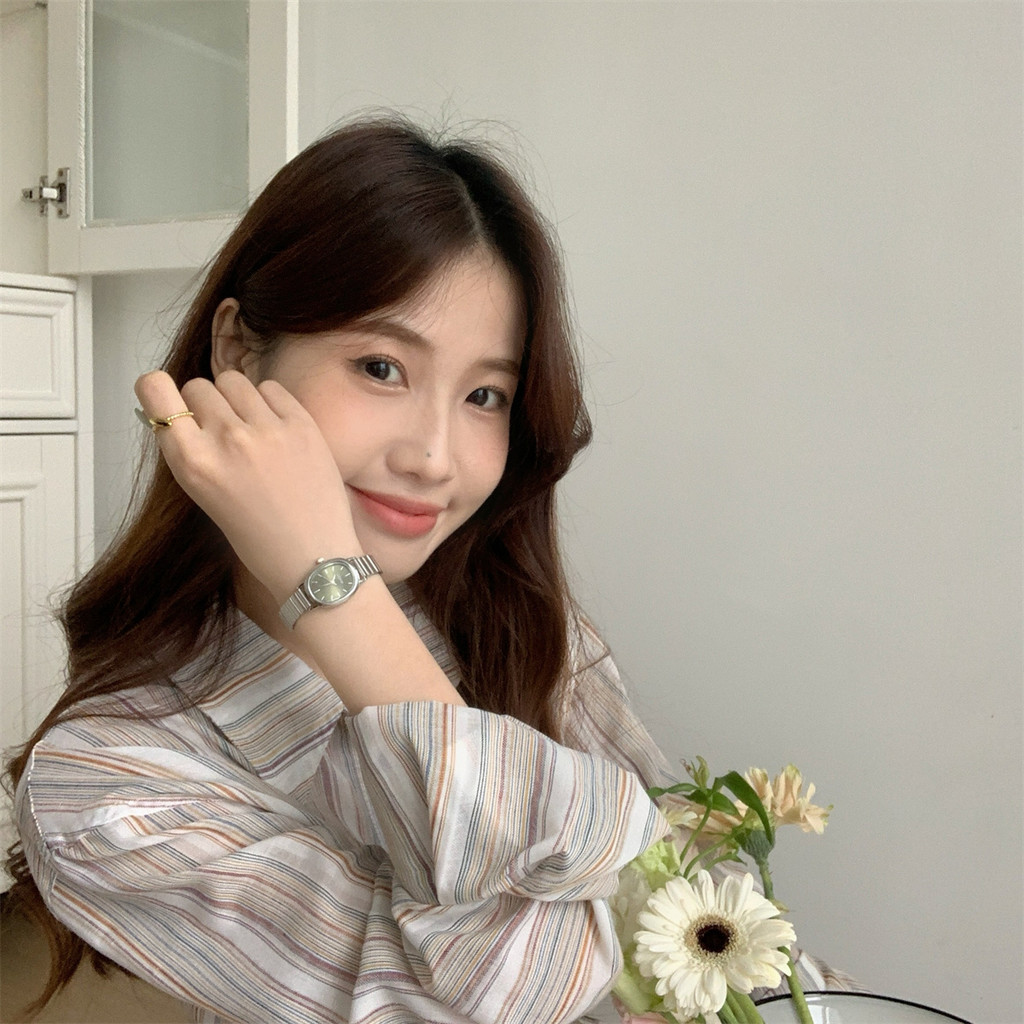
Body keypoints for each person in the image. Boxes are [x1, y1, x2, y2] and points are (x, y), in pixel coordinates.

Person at [5, 117, 852, 1024]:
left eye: (485, 394)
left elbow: (728, 941)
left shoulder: (526, 634)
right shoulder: (107, 786)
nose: (436, 458)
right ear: (238, 350)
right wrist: (335, 587)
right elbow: (513, 994)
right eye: (381, 368)